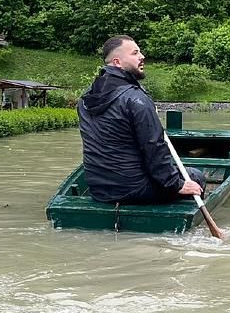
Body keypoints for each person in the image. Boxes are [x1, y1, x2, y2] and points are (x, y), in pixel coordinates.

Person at [78, 35, 205, 204]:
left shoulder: (85, 99)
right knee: (196, 176)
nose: (142, 56)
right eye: (135, 53)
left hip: (99, 190)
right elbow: (154, 147)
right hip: (135, 189)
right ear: (117, 62)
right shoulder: (136, 99)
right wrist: (176, 184)